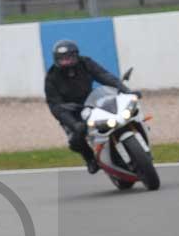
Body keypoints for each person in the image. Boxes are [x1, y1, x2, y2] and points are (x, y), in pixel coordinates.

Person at [45, 39, 141, 174]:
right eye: (63, 59)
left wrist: (126, 91)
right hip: (70, 111)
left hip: (92, 101)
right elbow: (55, 105)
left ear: (76, 56)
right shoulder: (51, 77)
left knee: (118, 113)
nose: (67, 62)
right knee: (75, 140)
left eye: (70, 58)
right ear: (56, 60)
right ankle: (90, 159)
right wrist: (74, 124)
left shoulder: (85, 63)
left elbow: (104, 76)